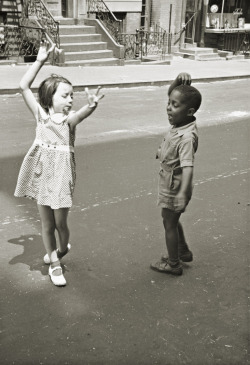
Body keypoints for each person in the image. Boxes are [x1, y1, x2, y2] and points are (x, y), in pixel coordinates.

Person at [14, 40, 104, 286]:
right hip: (43, 175)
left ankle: (62, 249)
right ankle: (55, 264)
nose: (70, 99)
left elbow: (80, 114)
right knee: (46, 224)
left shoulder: (68, 123)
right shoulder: (41, 117)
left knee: (61, 224)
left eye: (71, 95)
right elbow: (23, 86)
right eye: (65, 95)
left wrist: (91, 105)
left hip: (62, 176)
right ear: (48, 98)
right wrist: (40, 60)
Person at [150, 73, 202, 276]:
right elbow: (171, 94)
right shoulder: (182, 121)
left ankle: (173, 264)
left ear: (189, 111)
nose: (169, 108)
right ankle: (182, 251)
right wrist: (177, 82)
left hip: (175, 184)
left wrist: (182, 192)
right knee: (170, 218)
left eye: (175, 105)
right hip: (170, 181)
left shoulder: (186, 137)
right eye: (169, 103)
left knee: (169, 222)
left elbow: (188, 166)